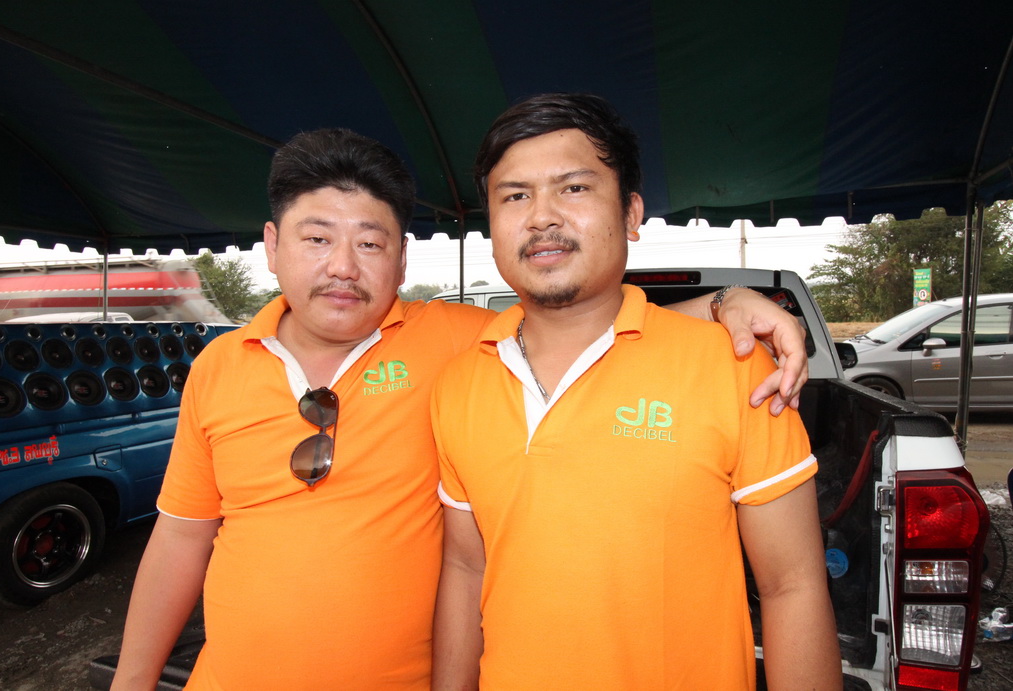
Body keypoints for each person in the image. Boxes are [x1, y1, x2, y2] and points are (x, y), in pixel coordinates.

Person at [111, 127, 810, 690]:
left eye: (370, 243)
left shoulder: (454, 342)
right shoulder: (218, 365)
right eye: (317, 238)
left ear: (401, 260)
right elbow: (181, 537)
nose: (343, 266)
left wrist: (723, 306)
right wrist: (132, 680)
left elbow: (580, 325)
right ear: (271, 246)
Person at [431, 94, 842, 690]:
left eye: (574, 188)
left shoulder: (732, 366)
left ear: (630, 213)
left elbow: (792, 585)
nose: (542, 217)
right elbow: (466, 569)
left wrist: (725, 302)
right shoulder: (458, 384)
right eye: (515, 196)